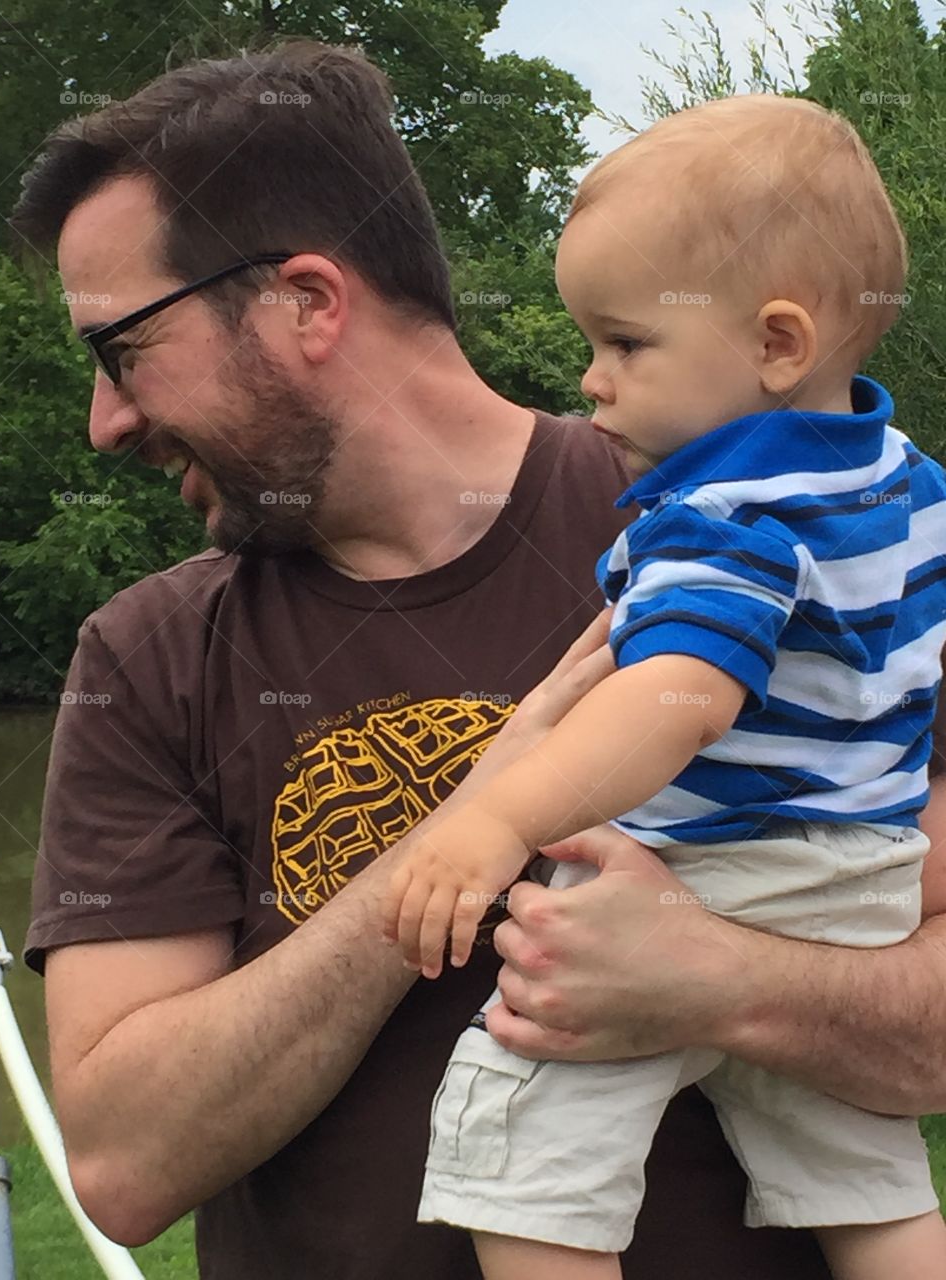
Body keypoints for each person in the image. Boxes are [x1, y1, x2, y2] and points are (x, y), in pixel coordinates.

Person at [11, 41, 946, 1280]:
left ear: (305, 303)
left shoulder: (757, 528)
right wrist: (458, 838)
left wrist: (719, 980)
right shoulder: (146, 658)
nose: (105, 420)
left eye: (121, 348)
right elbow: (125, 1163)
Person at [383, 94, 946, 1280]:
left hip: (709, 871)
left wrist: (499, 811)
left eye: (626, 343)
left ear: (776, 345)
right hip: (863, 886)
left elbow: (677, 699)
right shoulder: (910, 484)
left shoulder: (724, 518)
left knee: (525, 1131)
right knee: (864, 1175)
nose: (592, 381)